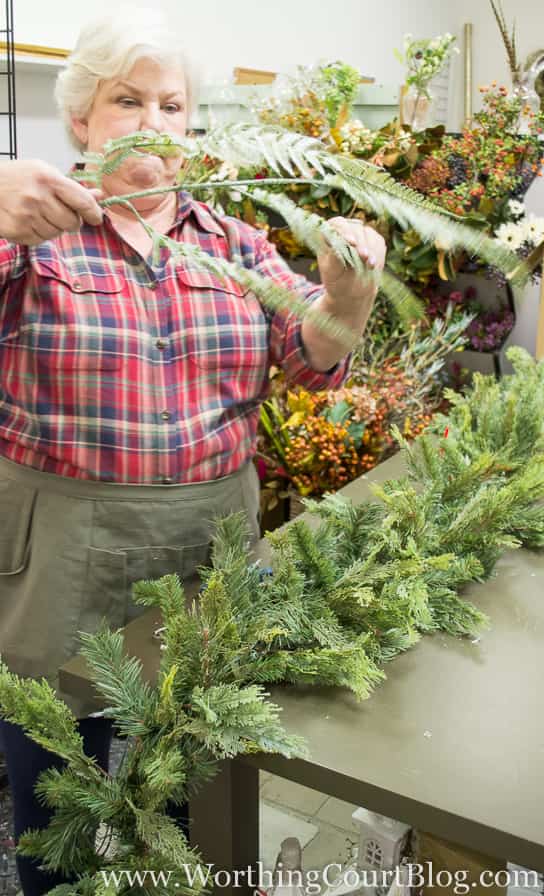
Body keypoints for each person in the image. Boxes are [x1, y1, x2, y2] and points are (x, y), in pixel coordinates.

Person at [0, 9, 385, 895]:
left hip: (209, 550)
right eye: (127, 100)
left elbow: (311, 351)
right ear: (81, 123)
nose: (155, 123)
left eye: (173, 106)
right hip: (63, 549)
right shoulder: (34, 233)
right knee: (56, 774)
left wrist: (348, 294)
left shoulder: (236, 244)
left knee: (196, 771)